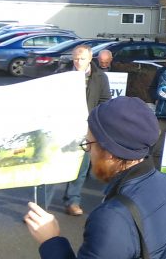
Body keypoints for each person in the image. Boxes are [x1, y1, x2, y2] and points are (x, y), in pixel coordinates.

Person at [24, 97, 166, 259]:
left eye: (89, 144)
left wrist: (51, 240)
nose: (88, 151)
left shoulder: (112, 217)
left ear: (110, 153)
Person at [46, 45, 110, 216]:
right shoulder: (62, 74)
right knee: (53, 166)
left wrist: (95, 124)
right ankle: (41, 206)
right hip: (63, 128)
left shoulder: (100, 77)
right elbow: (50, 98)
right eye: (75, 58)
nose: (78, 62)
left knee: (80, 169)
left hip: (87, 130)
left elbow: (104, 102)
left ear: (90, 58)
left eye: (82, 58)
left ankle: (72, 201)